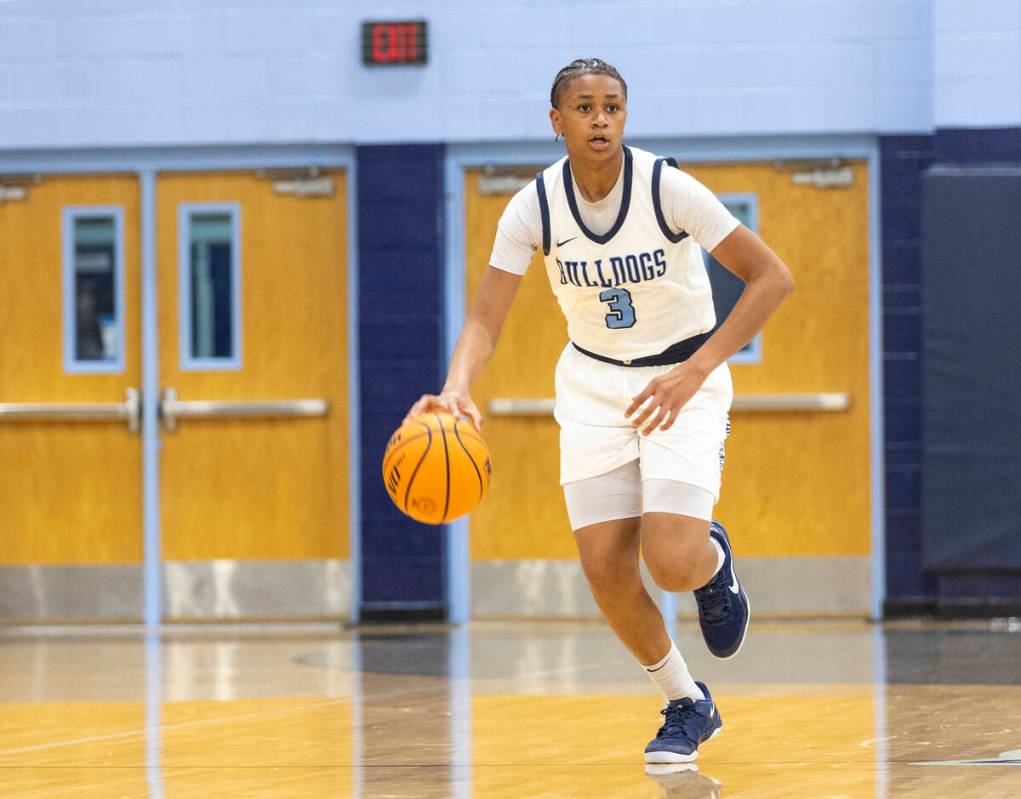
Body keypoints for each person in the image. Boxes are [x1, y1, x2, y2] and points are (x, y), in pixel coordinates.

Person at [405, 58, 793, 763]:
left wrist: (697, 368)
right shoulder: (534, 206)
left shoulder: (664, 187)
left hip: (682, 375)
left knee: (670, 562)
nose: (600, 119)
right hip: (592, 385)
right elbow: (486, 318)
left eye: (612, 106)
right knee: (607, 571)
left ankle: (712, 565)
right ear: (556, 121)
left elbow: (772, 277)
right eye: (583, 108)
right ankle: (686, 701)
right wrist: (457, 382)